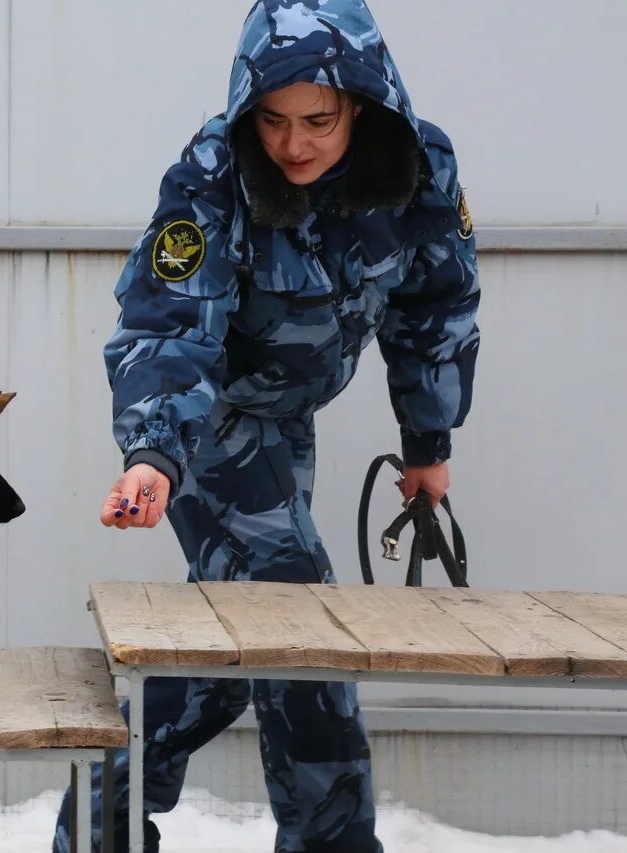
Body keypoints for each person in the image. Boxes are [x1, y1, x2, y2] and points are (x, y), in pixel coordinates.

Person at [52, 1, 480, 851]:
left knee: (229, 649)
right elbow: (171, 325)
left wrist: (428, 441)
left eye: (318, 120)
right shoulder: (214, 172)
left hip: (288, 422)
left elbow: (437, 302)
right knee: (298, 625)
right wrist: (154, 454)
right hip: (209, 423)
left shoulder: (415, 163)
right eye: (274, 120)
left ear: (362, 103)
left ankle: (100, 819)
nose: (294, 145)